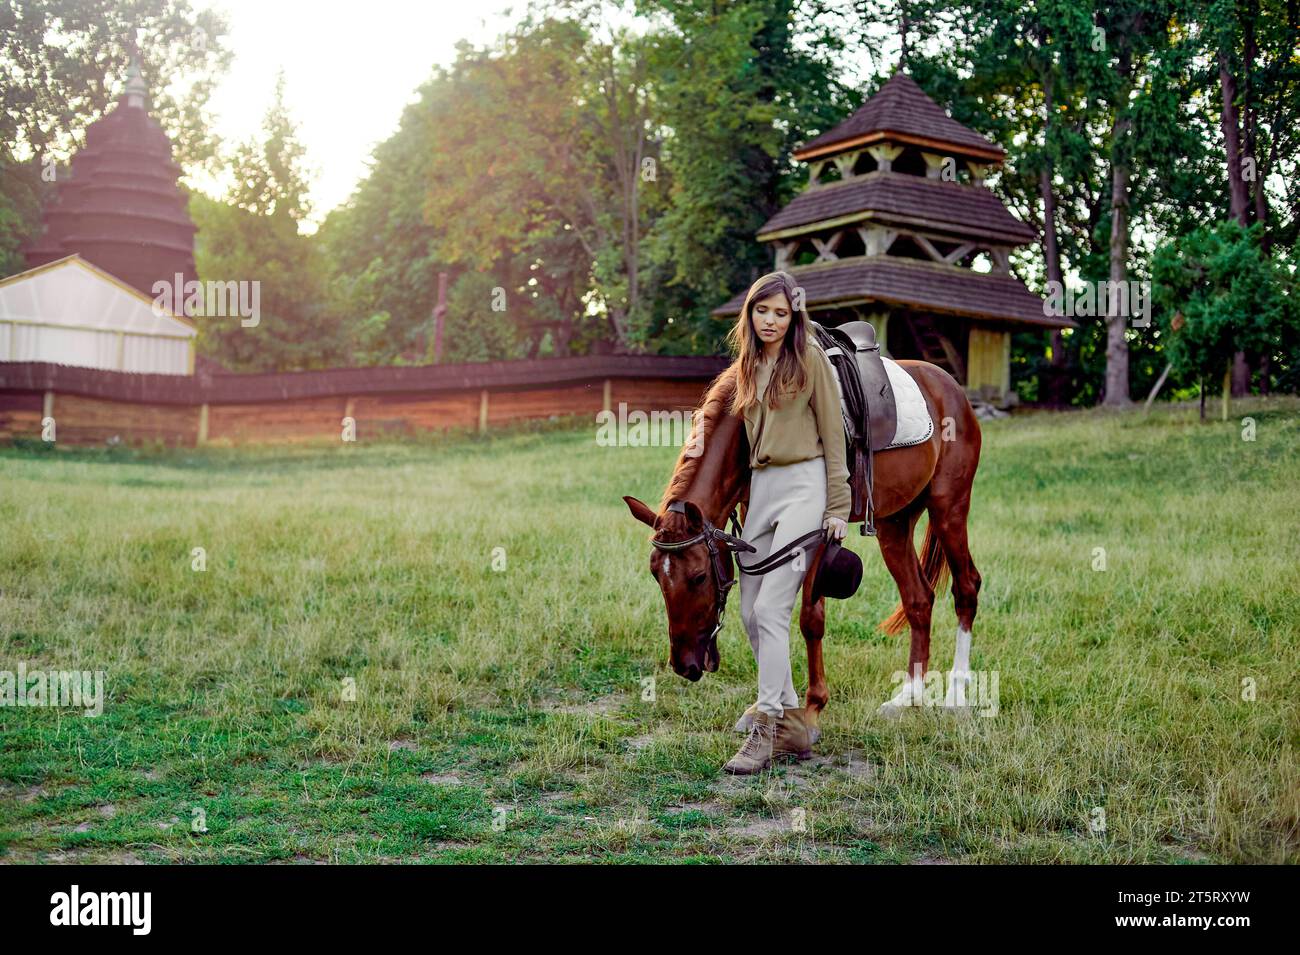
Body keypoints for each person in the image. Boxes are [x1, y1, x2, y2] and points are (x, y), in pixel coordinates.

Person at [722, 270, 852, 775]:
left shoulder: (809, 360)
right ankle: (793, 721)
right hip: (764, 489)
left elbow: (833, 433)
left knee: (774, 606)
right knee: (749, 609)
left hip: (805, 484)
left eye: (781, 313)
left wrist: (836, 506)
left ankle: (769, 724)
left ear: (793, 316)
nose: (771, 321)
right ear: (750, 313)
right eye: (762, 311)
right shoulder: (747, 364)